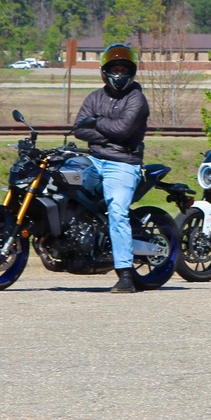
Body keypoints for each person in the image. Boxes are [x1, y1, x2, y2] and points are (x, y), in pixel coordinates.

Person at [72, 43, 150, 294]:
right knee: (63, 181)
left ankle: (125, 274)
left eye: (123, 69)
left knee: (117, 211)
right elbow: (79, 128)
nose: (118, 73)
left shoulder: (137, 98)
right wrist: (104, 132)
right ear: (104, 71)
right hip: (94, 159)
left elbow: (125, 130)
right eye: (113, 68)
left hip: (124, 163)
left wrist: (96, 124)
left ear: (131, 72)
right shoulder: (94, 97)